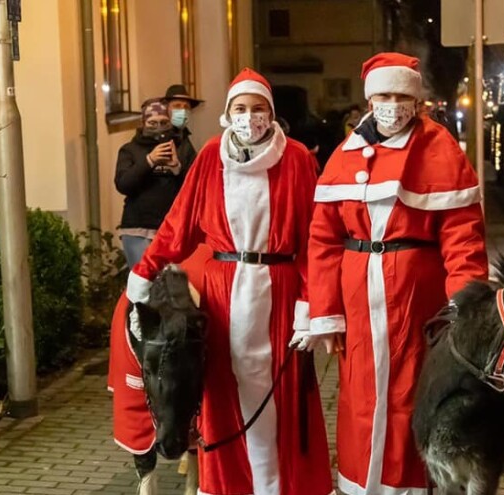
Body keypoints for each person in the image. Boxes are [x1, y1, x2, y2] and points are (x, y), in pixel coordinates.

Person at [125, 68, 333, 495]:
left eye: (258, 108)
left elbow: (316, 238)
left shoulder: (295, 158)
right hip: (223, 292)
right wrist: (144, 272)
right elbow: (178, 225)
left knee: (283, 398)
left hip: (279, 290)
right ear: (227, 113)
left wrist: (310, 305)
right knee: (223, 397)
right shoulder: (212, 157)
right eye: (240, 108)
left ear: (271, 113)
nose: (249, 116)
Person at [307, 52, 489, 494]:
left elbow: (463, 239)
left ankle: (409, 486)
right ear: (370, 100)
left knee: (412, 393)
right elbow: (323, 239)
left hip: (416, 297)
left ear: (416, 100)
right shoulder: (345, 154)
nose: (393, 105)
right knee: (358, 398)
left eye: (402, 96)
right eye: (384, 96)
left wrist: (461, 311)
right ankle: (359, 486)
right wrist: (326, 313)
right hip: (357, 301)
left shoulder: (439, 149)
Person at [114, 98, 196, 267]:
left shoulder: (182, 148)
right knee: (143, 285)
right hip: (138, 230)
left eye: (163, 122)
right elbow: (123, 184)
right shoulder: (130, 150)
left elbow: (196, 187)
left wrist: (176, 168)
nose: (158, 127)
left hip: (173, 228)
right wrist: (149, 161)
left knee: (174, 285)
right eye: (152, 123)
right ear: (143, 123)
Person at [163, 83, 203, 154]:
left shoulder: (185, 137)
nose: (183, 110)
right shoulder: (156, 136)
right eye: (177, 106)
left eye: (186, 107)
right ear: (166, 108)